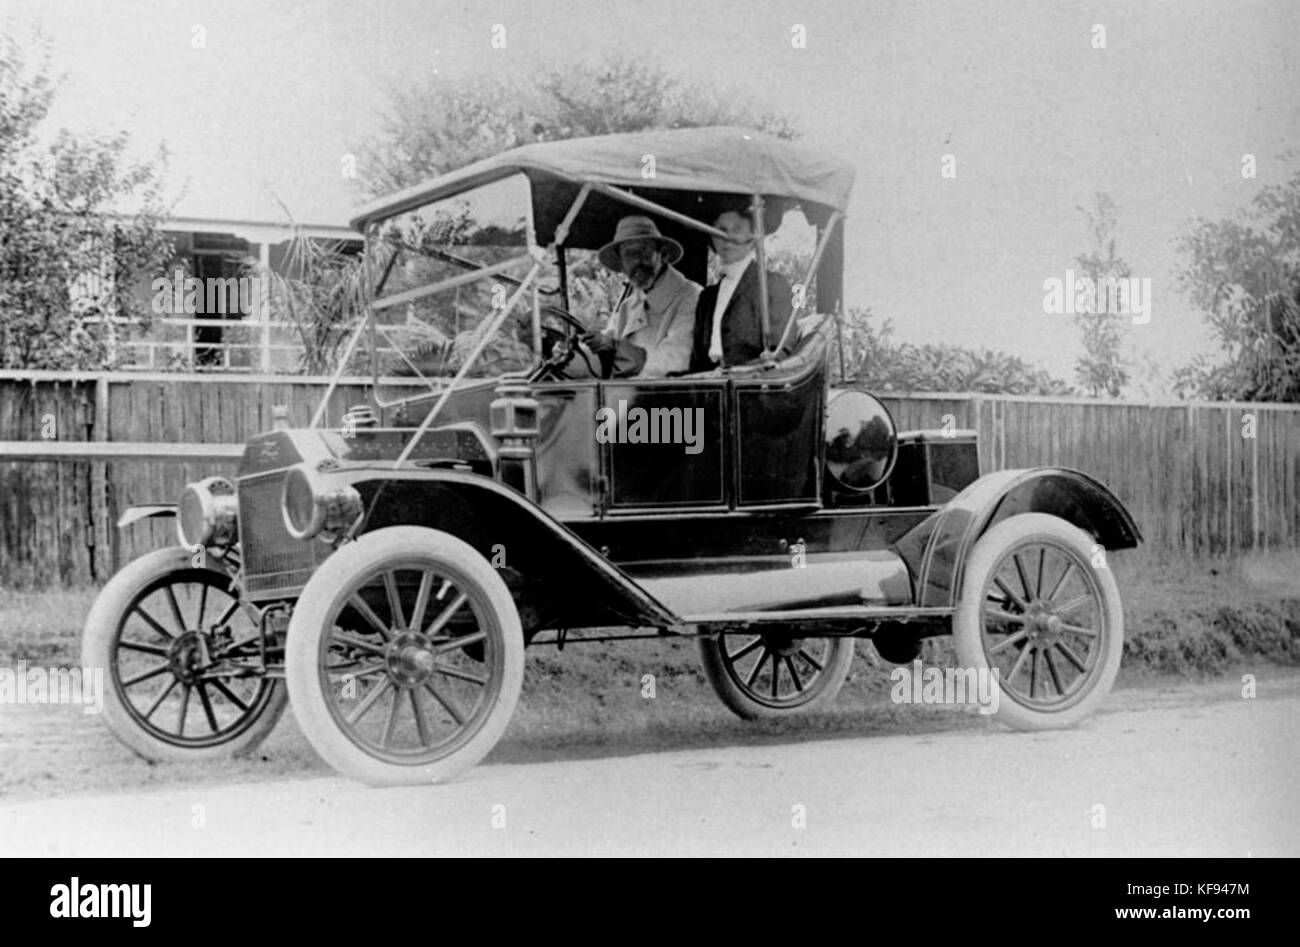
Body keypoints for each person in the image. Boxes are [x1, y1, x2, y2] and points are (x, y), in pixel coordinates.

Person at [579, 216, 700, 378]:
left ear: (662, 255)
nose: (637, 261)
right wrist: (578, 348)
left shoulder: (691, 296)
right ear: (621, 263)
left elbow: (677, 360)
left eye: (644, 252)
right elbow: (608, 339)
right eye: (629, 254)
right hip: (628, 397)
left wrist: (617, 348)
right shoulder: (628, 306)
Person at [688, 203, 793, 373]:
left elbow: (781, 352)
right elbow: (697, 363)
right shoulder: (707, 297)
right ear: (712, 238)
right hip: (710, 390)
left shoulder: (773, 285)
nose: (728, 237)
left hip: (753, 389)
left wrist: (734, 373)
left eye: (737, 229)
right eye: (720, 230)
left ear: (753, 238)